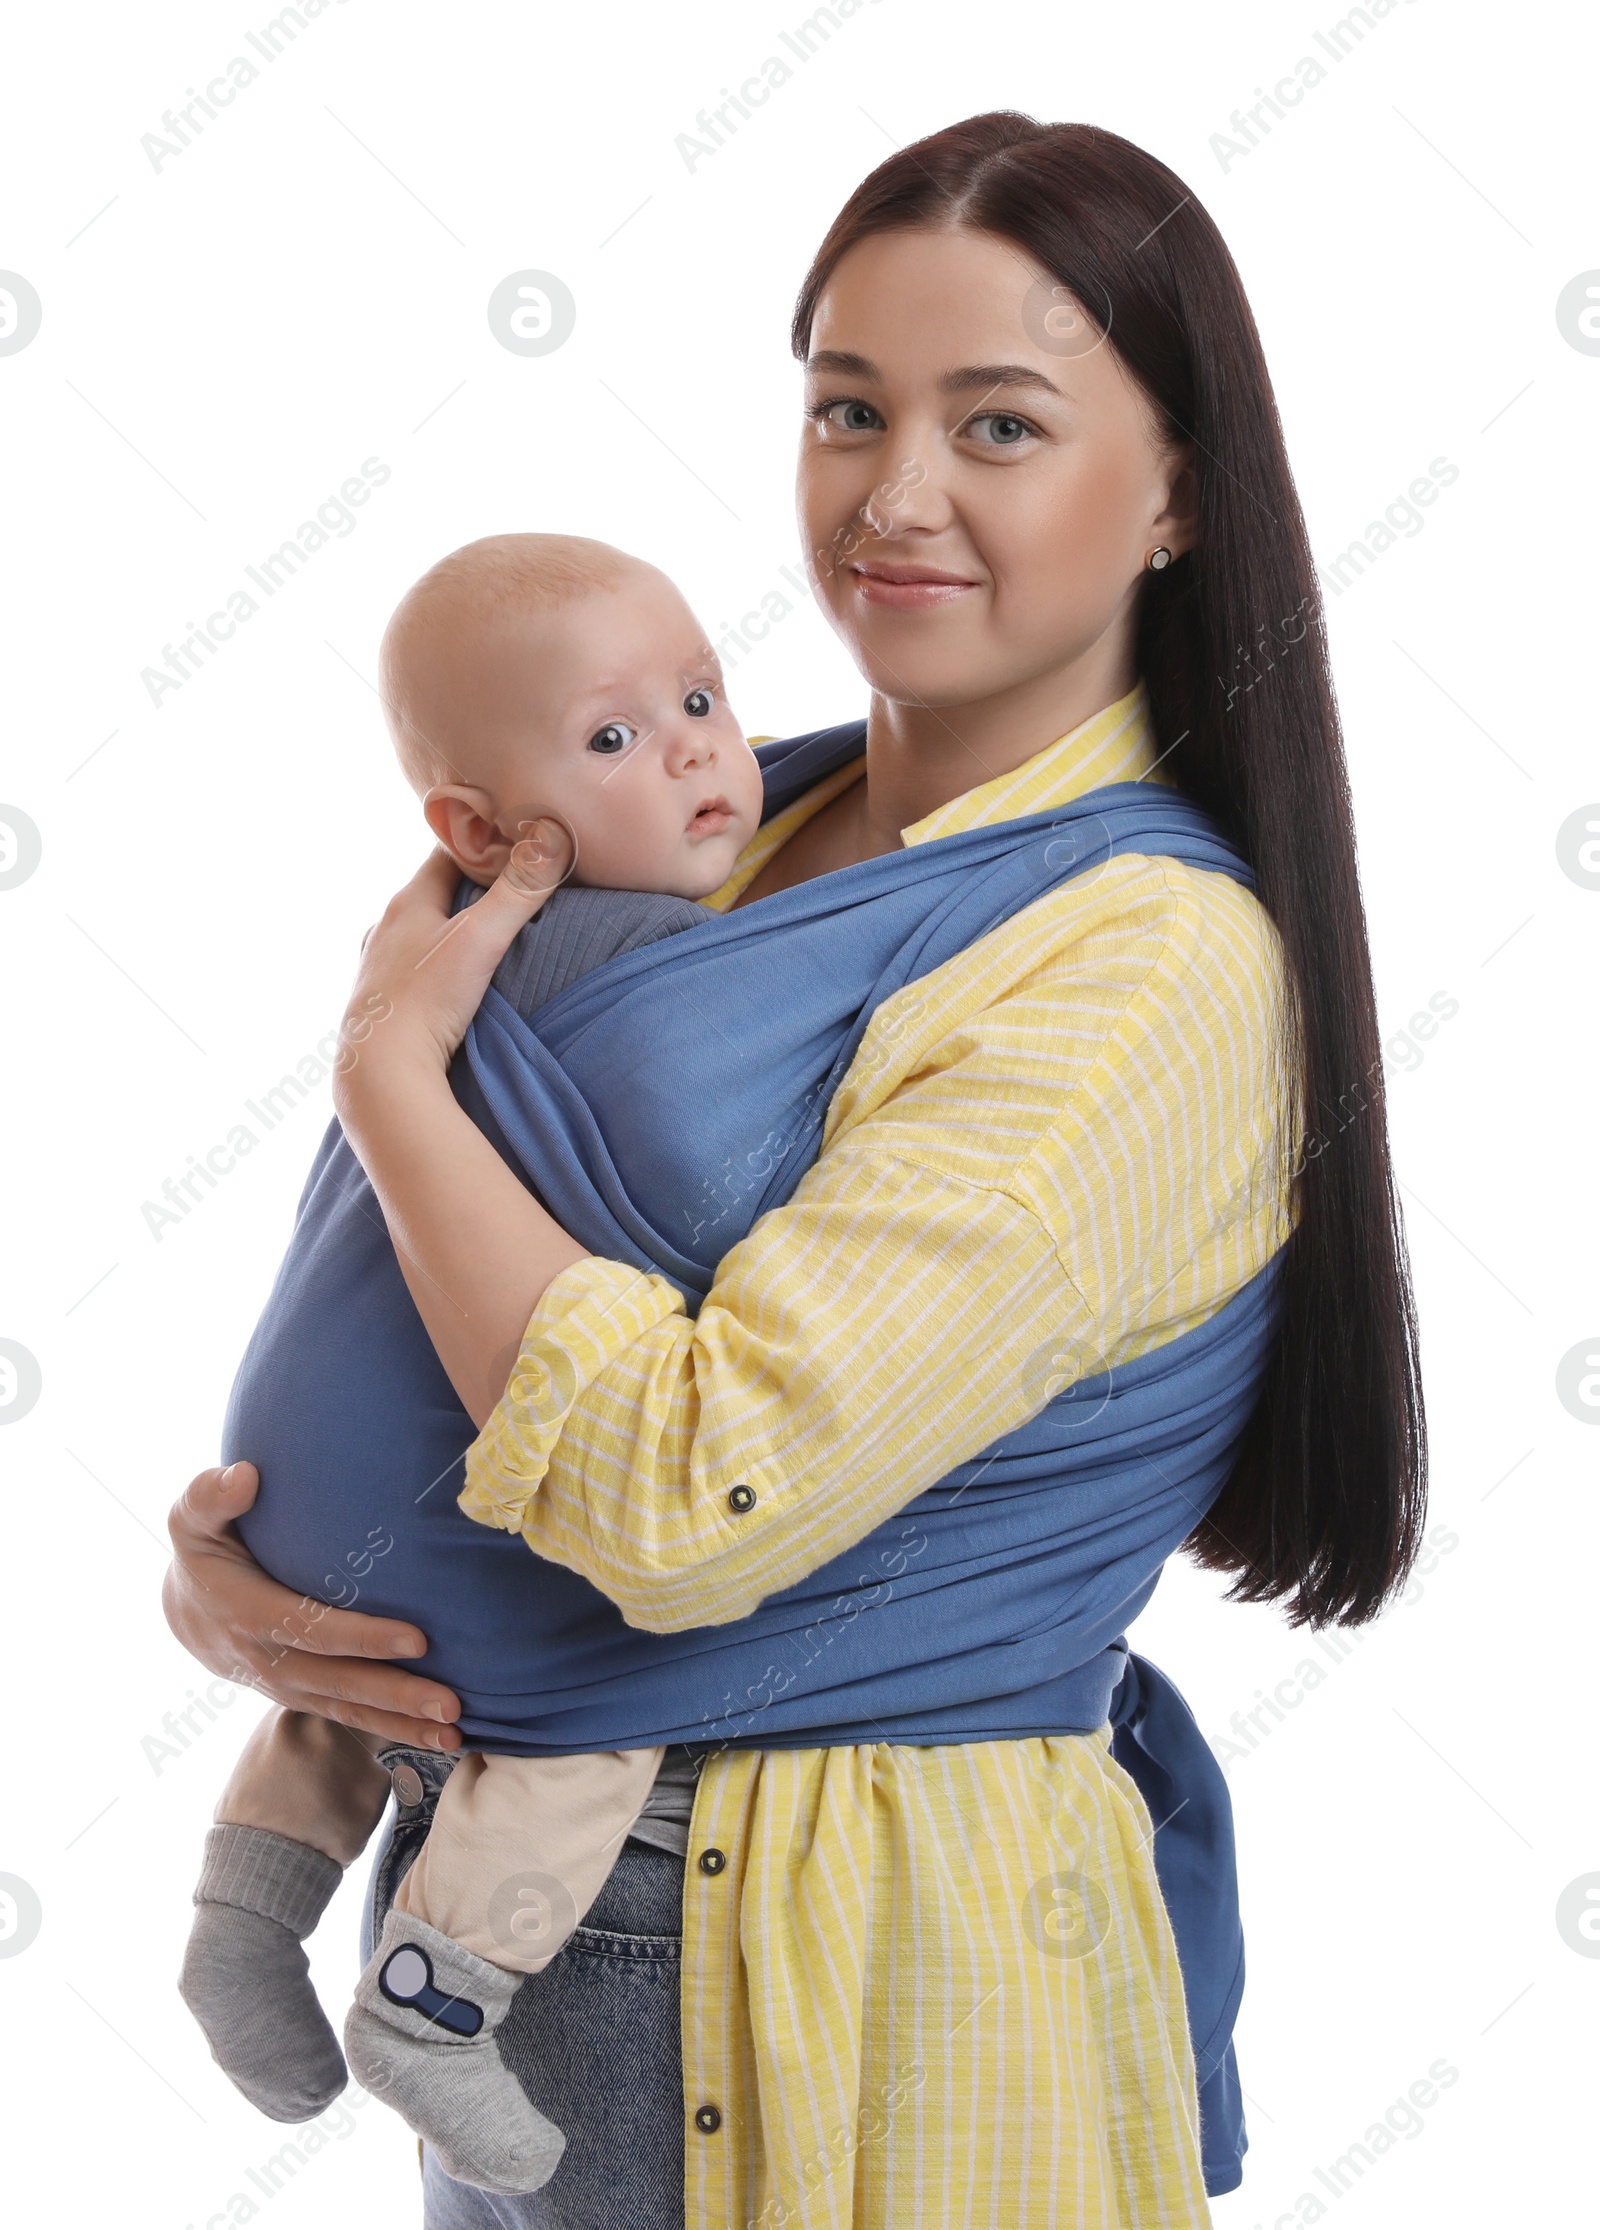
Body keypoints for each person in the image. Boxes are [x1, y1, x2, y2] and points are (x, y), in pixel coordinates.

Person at [164, 112, 1426, 2230]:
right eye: (846, 407)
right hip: (513, 1896)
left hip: (833, 1952)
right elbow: (410, 1301)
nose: (890, 494)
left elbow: (681, 1494)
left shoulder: (1146, 970)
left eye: (996, 424)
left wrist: (386, 1066)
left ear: (1177, 492)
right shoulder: (727, 822)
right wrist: (275, 1589)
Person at [178, 530, 768, 2195]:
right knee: (578, 1704)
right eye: (611, 736)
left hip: (291, 1474)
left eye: (704, 696)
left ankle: (244, 1918)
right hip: (461, 1493)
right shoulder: (666, 969)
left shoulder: (429, 958)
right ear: (479, 831)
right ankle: (439, 2003)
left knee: (350, 1690)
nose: (695, 750)